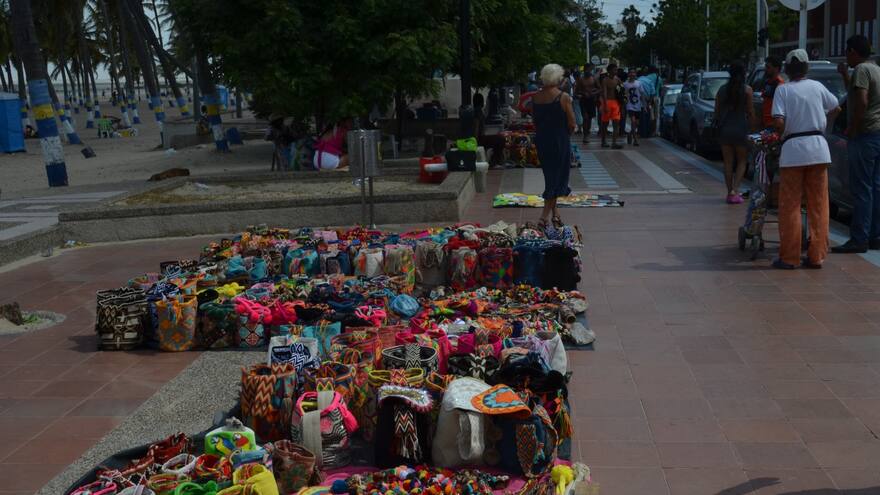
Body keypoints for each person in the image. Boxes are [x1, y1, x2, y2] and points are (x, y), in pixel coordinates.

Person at [771, 49, 841, 269]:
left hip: (793, 151)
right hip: (819, 149)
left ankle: (790, 257)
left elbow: (779, 122)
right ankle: (817, 255)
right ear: (806, 67)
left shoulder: (783, 90)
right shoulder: (818, 87)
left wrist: (779, 134)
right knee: (818, 205)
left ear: (788, 69)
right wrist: (822, 126)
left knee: (790, 205)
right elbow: (836, 107)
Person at [832, 34, 880, 253]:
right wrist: (844, 76)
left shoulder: (861, 69)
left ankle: (859, 238)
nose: (845, 57)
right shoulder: (876, 69)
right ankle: (875, 236)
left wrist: (852, 128)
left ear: (853, 51)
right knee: (875, 188)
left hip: (864, 135)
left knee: (861, 189)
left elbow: (860, 101)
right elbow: (855, 93)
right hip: (877, 134)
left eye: (846, 52)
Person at [531, 63, 576, 229]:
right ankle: (543, 217)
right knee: (557, 179)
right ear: (558, 78)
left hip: (543, 140)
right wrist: (566, 135)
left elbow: (535, 121)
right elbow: (572, 123)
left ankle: (555, 214)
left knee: (550, 176)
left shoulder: (535, 97)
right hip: (559, 140)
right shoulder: (563, 97)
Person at [714, 62, 755, 204]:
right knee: (742, 161)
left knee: (728, 162)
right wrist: (753, 129)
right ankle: (735, 190)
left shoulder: (721, 90)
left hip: (725, 129)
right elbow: (750, 112)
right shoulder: (747, 90)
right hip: (741, 129)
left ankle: (729, 191)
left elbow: (717, 112)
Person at [599, 64, 623, 149]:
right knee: (605, 124)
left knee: (616, 123)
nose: (615, 71)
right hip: (607, 102)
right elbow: (604, 93)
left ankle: (614, 143)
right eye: (614, 70)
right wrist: (604, 105)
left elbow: (622, 91)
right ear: (609, 71)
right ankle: (603, 141)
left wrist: (622, 102)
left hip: (616, 103)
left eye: (616, 70)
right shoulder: (605, 80)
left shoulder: (618, 79)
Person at [575, 65, 600, 144]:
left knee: (589, 119)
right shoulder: (581, 80)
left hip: (592, 101)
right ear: (584, 70)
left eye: (590, 70)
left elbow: (600, 89)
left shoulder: (594, 79)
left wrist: (593, 93)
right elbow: (576, 92)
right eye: (587, 70)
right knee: (585, 118)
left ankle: (587, 133)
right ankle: (585, 136)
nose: (588, 71)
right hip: (583, 101)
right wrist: (583, 93)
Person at [623, 69, 646, 146]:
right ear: (628, 74)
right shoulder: (625, 84)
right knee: (633, 121)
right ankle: (635, 140)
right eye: (631, 72)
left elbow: (642, 95)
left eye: (634, 72)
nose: (632, 74)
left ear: (635, 74)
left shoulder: (639, 83)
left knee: (636, 123)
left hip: (638, 105)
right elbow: (624, 95)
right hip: (630, 105)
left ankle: (630, 134)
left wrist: (644, 106)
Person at [761, 55, 784, 128]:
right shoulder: (767, 82)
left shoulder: (780, 85)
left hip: (773, 124)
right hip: (765, 123)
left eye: (768, 67)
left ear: (776, 68)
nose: (765, 69)